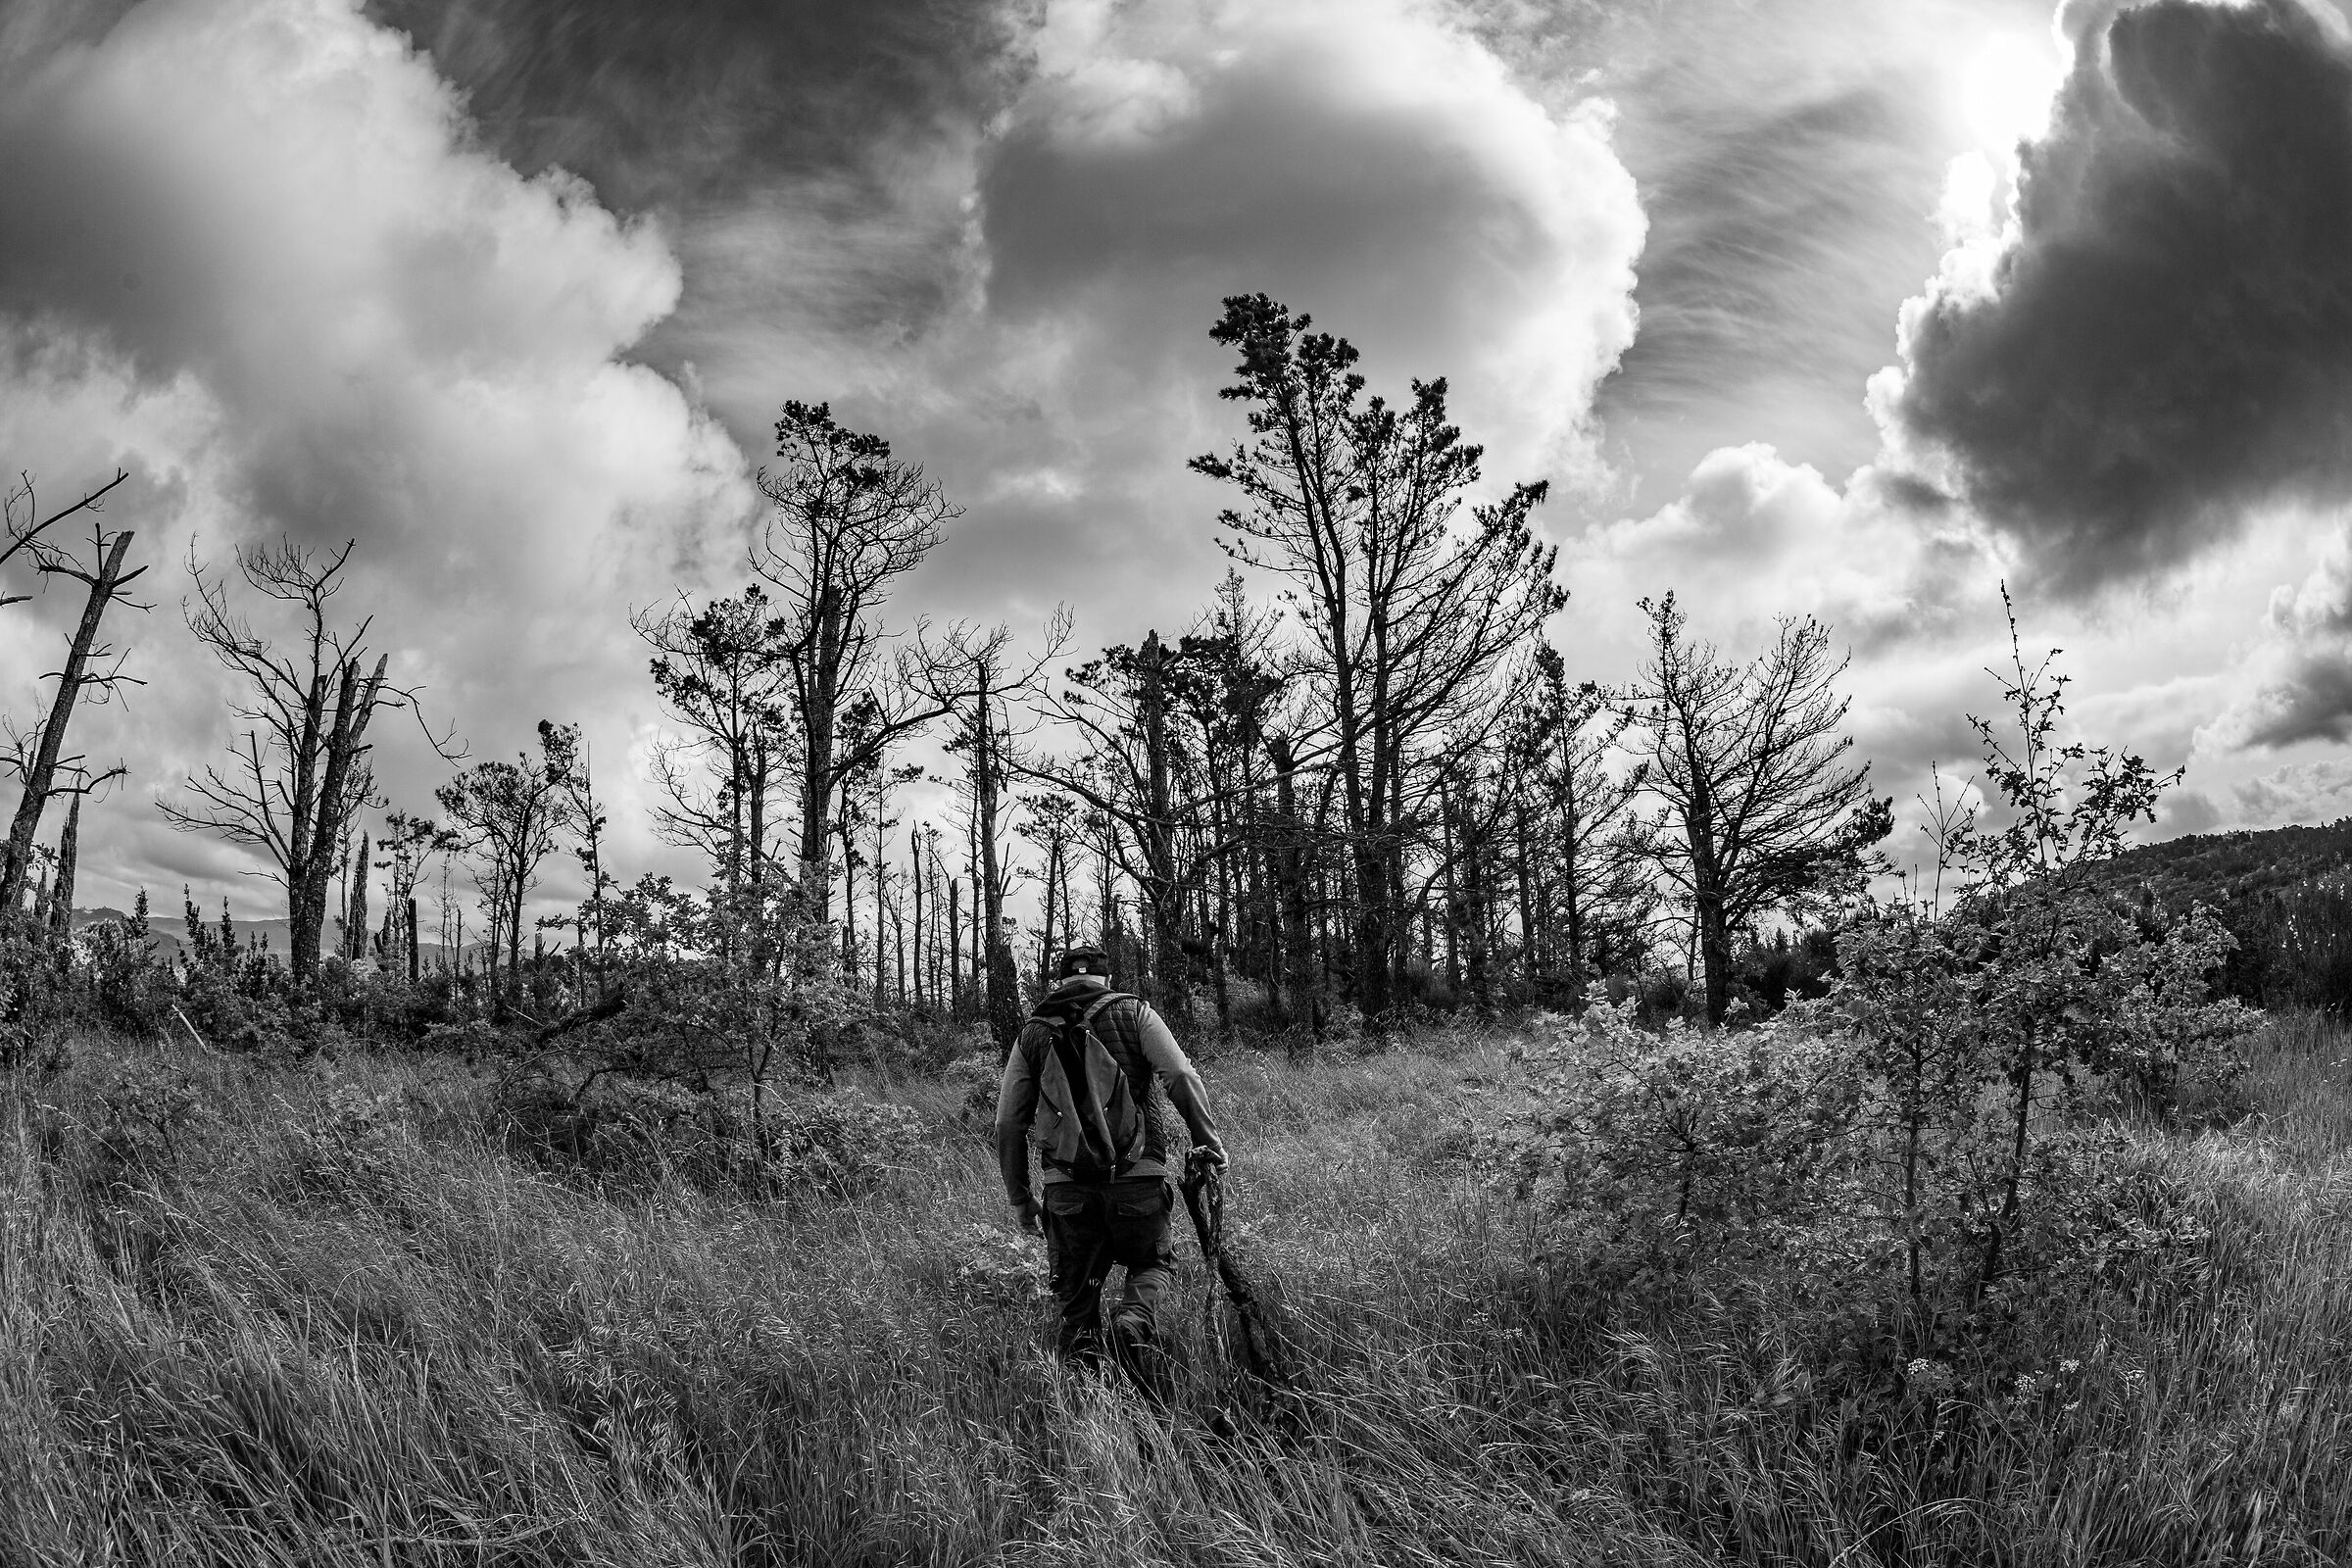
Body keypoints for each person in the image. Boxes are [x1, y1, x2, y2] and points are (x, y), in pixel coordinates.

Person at [994, 944, 1225, 1390]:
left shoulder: (1034, 1033)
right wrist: (1208, 1143)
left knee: (1077, 1301)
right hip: (1138, 1179)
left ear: (1060, 980)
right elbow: (1180, 1076)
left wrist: (1022, 1199)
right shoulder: (1134, 1013)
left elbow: (1008, 1122)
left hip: (1067, 1190)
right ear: (1106, 978)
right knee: (1150, 1265)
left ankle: (1090, 1411)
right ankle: (1134, 1319)